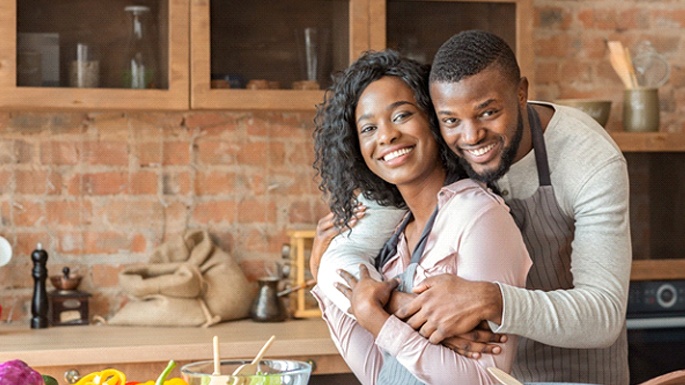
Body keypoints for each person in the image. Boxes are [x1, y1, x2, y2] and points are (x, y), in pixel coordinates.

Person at [312, 30, 632, 385]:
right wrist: (405, 309)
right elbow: (339, 261)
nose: (471, 136)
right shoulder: (433, 156)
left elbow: (603, 315)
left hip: (574, 376)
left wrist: (489, 300)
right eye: (450, 120)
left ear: (521, 94)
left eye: (488, 113)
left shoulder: (587, 159)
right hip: (477, 369)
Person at [311, 49, 531, 385]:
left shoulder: (479, 217)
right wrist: (326, 284)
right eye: (368, 127)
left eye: (401, 116)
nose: (386, 136)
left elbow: (484, 382)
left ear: (433, 118)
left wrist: (379, 319)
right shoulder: (400, 235)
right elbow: (381, 376)